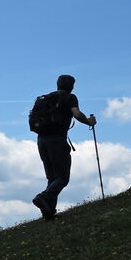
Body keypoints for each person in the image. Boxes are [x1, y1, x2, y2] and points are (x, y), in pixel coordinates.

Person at [32, 74, 96, 221]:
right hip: (57, 140)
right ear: (72, 86)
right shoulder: (70, 97)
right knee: (62, 178)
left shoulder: (46, 98)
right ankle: (43, 197)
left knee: (52, 177)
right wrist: (89, 122)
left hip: (41, 140)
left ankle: (49, 212)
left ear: (57, 84)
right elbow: (77, 114)